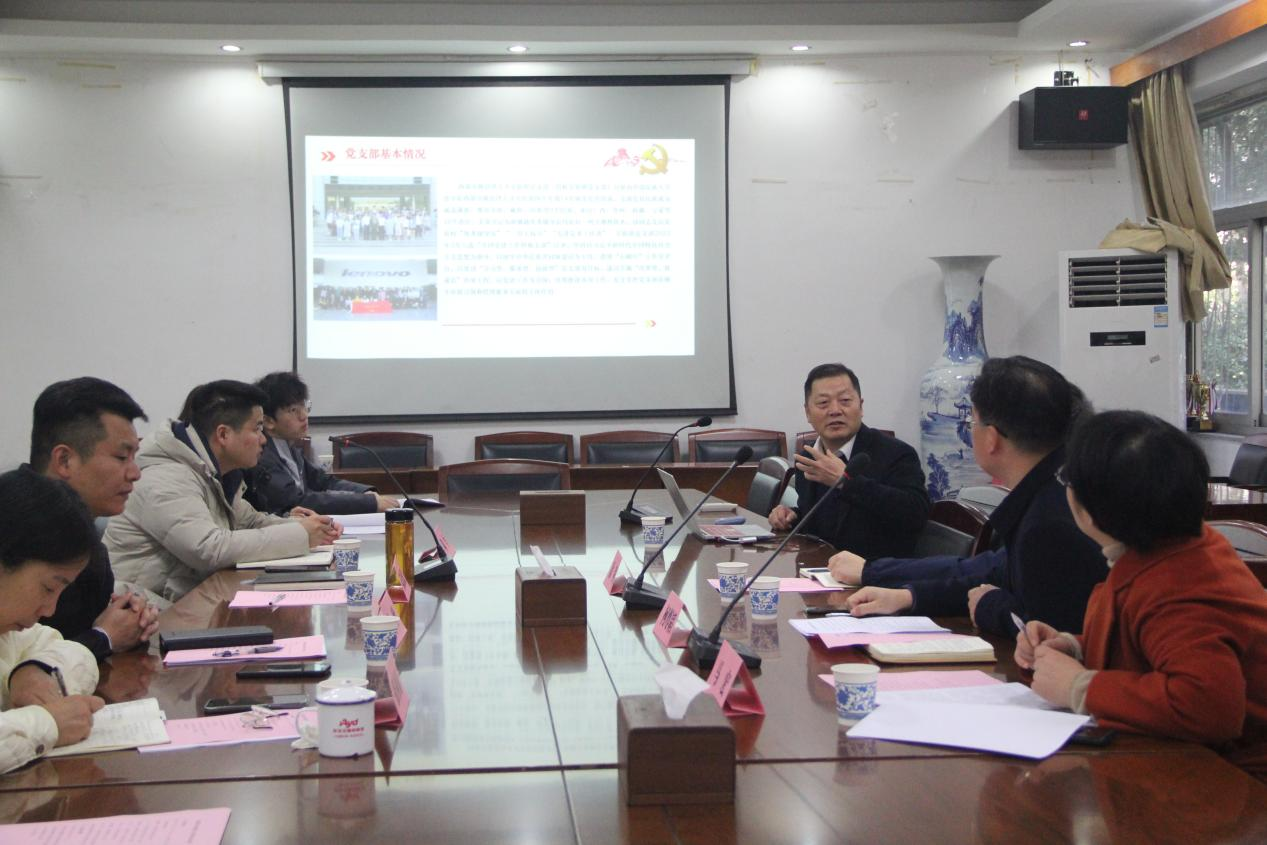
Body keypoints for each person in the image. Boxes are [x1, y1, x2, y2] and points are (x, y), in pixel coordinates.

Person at [1016, 410, 1267, 781]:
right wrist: (1074, 648)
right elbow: (1152, 645)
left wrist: (1080, 687)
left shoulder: (1182, 587)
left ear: (1092, 511)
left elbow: (1209, 708)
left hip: (1238, 784)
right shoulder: (1172, 549)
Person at [834, 356, 1107, 637]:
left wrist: (991, 606)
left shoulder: (1052, 520)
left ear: (991, 439)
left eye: (971, 421)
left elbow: (1052, 636)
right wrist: (909, 596)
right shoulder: (1048, 490)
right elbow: (990, 572)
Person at [106, 380, 340, 603]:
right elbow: (209, 549)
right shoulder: (166, 477)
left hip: (192, 599)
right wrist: (301, 535)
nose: (263, 440)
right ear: (223, 434)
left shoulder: (217, 472)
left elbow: (250, 521)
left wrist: (310, 527)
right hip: (145, 612)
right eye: (257, 429)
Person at [28, 378, 160, 659]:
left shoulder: (84, 532)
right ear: (64, 460)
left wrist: (128, 622)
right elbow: (19, 666)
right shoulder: (15, 532)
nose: (135, 473)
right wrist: (103, 638)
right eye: (122, 457)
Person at [0, 469, 105, 774]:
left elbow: (71, 651)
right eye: (48, 588)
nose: (50, 609)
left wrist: (36, 670)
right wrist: (49, 724)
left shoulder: (9, 629)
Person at [768, 363, 929, 560]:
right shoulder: (809, 460)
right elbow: (825, 520)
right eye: (823, 403)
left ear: (860, 406)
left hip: (874, 573)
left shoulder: (896, 453)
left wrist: (846, 482)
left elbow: (915, 514)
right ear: (808, 412)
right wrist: (792, 516)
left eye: (845, 401)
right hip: (819, 569)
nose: (835, 410)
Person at [245, 371, 396, 515]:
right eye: (293, 410)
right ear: (269, 421)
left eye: (304, 406)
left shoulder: (289, 448)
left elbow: (323, 482)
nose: (304, 416)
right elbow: (297, 501)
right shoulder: (262, 456)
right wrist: (367, 503)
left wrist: (364, 492)